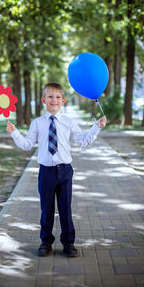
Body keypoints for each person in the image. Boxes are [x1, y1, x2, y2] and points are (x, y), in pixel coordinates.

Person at [6, 82, 107, 257]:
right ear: (43, 99)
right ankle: (46, 242)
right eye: (50, 97)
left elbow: (82, 140)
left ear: (63, 101)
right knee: (46, 209)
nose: (54, 100)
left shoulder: (68, 122)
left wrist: (95, 127)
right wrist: (15, 132)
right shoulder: (37, 123)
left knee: (65, 209)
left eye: (58, 97)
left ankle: (68, 243)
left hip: (65, 171)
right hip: (46, 172)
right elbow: (27, 144)